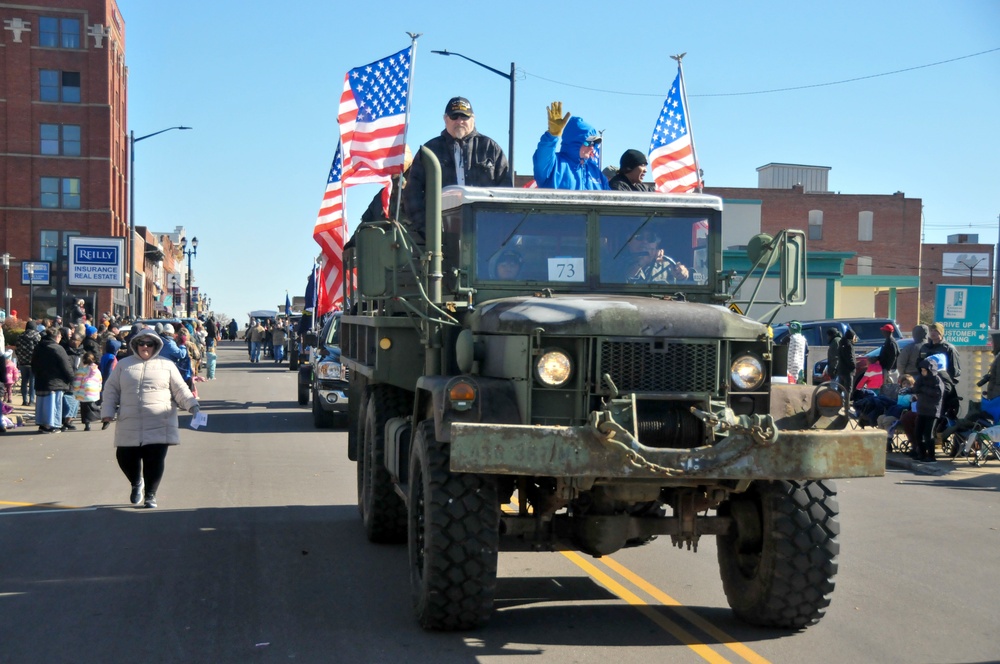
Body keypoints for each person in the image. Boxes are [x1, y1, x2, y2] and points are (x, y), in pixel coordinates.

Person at [101, 330, 200, 508]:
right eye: (142, 343)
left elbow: (180, 389)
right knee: (124, 457)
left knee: (154, 459)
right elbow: (111, 390)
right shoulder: (124, 365)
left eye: (149, 344)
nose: (145, 347)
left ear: (156, 346)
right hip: (129, 421)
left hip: (159, 421)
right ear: (135, 345)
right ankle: (136, 482)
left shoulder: (167, 365)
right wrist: (107, 412)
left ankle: (150, 495)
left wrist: (192, 405)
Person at [403, 97, 509, 232]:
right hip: (440, 235)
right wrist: (427, 229)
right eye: (454, 117)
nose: (459, 121)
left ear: (473, 118)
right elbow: (412, 193)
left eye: (464, 117)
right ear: (445, 119)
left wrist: (495, 226)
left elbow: (505, 190)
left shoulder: (491, 148)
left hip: (484, 231)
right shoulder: (429, 151)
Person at [532, 101, 609, 191]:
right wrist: (552, 135)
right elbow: (543, 155)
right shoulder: (554, 164)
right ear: (575, 142)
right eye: (588, 143)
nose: (592, 147)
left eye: (594, 143)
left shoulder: (595, 172)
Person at [31, 327, 74, 434]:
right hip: (55, 381)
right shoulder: (57, 348)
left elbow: (33, 364)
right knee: (53, 405)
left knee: (42, 404)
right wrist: (72, 378)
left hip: (41, 380)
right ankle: (51, 425)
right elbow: (66, 366)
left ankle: (42, 424)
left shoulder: (38, 347)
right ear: (57, 336)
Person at [612, 228, 690, 283]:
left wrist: (682, 274)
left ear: (656, 244)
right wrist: (641, 264)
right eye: (639, 237)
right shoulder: (617, 262)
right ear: (629, 241)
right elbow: (621, 282)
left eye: (650, 238)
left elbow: (680, 289)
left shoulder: (667, 265)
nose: (645, 242)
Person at [913, 358, 945, 462]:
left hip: (932, 410)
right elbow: (916, 388)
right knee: (918, 433)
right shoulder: (921, 379)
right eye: (921, 370)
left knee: (928, 434)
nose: (923, 372)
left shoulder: (937, 380)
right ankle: (921, 454)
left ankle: (931, 456)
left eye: (925, 370)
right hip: (922, 409)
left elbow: (936, 394)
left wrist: (923, 389)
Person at [73, 351, 102, 431]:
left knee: (85, 409)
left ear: (83, 360)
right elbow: (100, 381)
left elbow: (77, 382)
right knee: (92, 406)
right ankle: (103, 418)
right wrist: (98, 390)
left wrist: (75, 392)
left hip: (84, 392)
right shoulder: (97, 370)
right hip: (94, 391)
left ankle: (87, 425)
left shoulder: (81, 370)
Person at [15, 321, 40, 406]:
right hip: (33, 362)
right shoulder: (37, 336)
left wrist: (20, 358)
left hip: (22, 362)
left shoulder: (20, 336)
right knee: (32, 381)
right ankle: (32, 400)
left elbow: (17, 349)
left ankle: (24, 400)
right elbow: (39, 348)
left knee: (24, 381)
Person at [837, 328, 857, 399]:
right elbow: (850, 358)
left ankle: (837, 403)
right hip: (848, 371)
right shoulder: (849, 345)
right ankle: (847, 406)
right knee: (848, 389)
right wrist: (853, 366)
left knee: (840, 389)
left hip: (841, 370)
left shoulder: (841, 343)